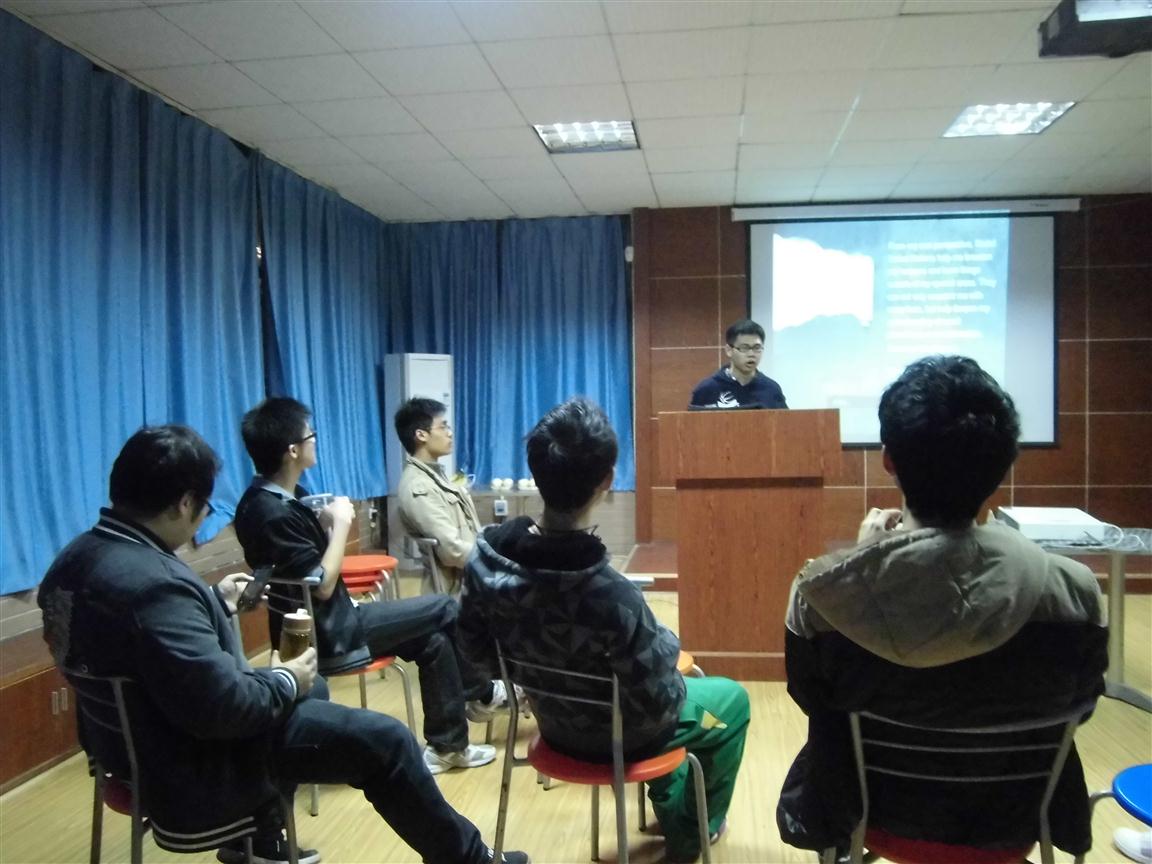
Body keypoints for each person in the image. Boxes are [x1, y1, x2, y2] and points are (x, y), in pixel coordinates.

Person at [37, 426, 529, 864]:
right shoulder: (156, 585)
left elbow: (135, 643)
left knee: (317, 693)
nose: (202, 519)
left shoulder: (75, 560)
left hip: (125, 748)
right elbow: (227, 708)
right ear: (185, 503)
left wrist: (213, 603)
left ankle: (262, 840)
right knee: (386, 739)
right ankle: (467, 858)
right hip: (192, 761)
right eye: (204, 508)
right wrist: (285, 678)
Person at [776, 356, 1108, 859]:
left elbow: (812, 700)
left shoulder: (820, 596)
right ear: (1003, 466)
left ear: (889, 460)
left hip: (872, 810)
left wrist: (866, 560)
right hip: (1016, 812)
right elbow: (1080, 705)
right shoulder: (1075, 591)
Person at [458, 398, 750, 864]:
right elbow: (656, 697)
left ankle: (673, 797)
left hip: (550, 722)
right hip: (620, 737)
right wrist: (666, 646)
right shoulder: (611, 595)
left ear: (536, 472)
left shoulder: (485, 562)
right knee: (730, 700)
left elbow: (474, 652)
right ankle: (694, 831)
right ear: (608, 479)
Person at [233, 397, 506, 776]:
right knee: (445, 608)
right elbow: (321, 585)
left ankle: (448, 747)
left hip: (335, 617)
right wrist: (341, 526)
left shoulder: (272, 500)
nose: (315, 441)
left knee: (433, 641)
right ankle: (485, 693)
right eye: (310, 436)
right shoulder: (270, 512)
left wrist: (324, 524)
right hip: (325, 633)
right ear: (292, 450)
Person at [394, 398, 481, 594]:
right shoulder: (419, 486)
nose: (450, 433)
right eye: (443, 427)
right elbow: (451, 550)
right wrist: (494, 559)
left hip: (468, 582)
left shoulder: (435, 477)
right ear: (421, 435)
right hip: (452, 593)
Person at [689, 318, 787, 409]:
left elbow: (784, 421)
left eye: (757, 348)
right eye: (744, 348)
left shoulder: (771, 389)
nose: (751, 354)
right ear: (729, 350)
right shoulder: (707, 389)